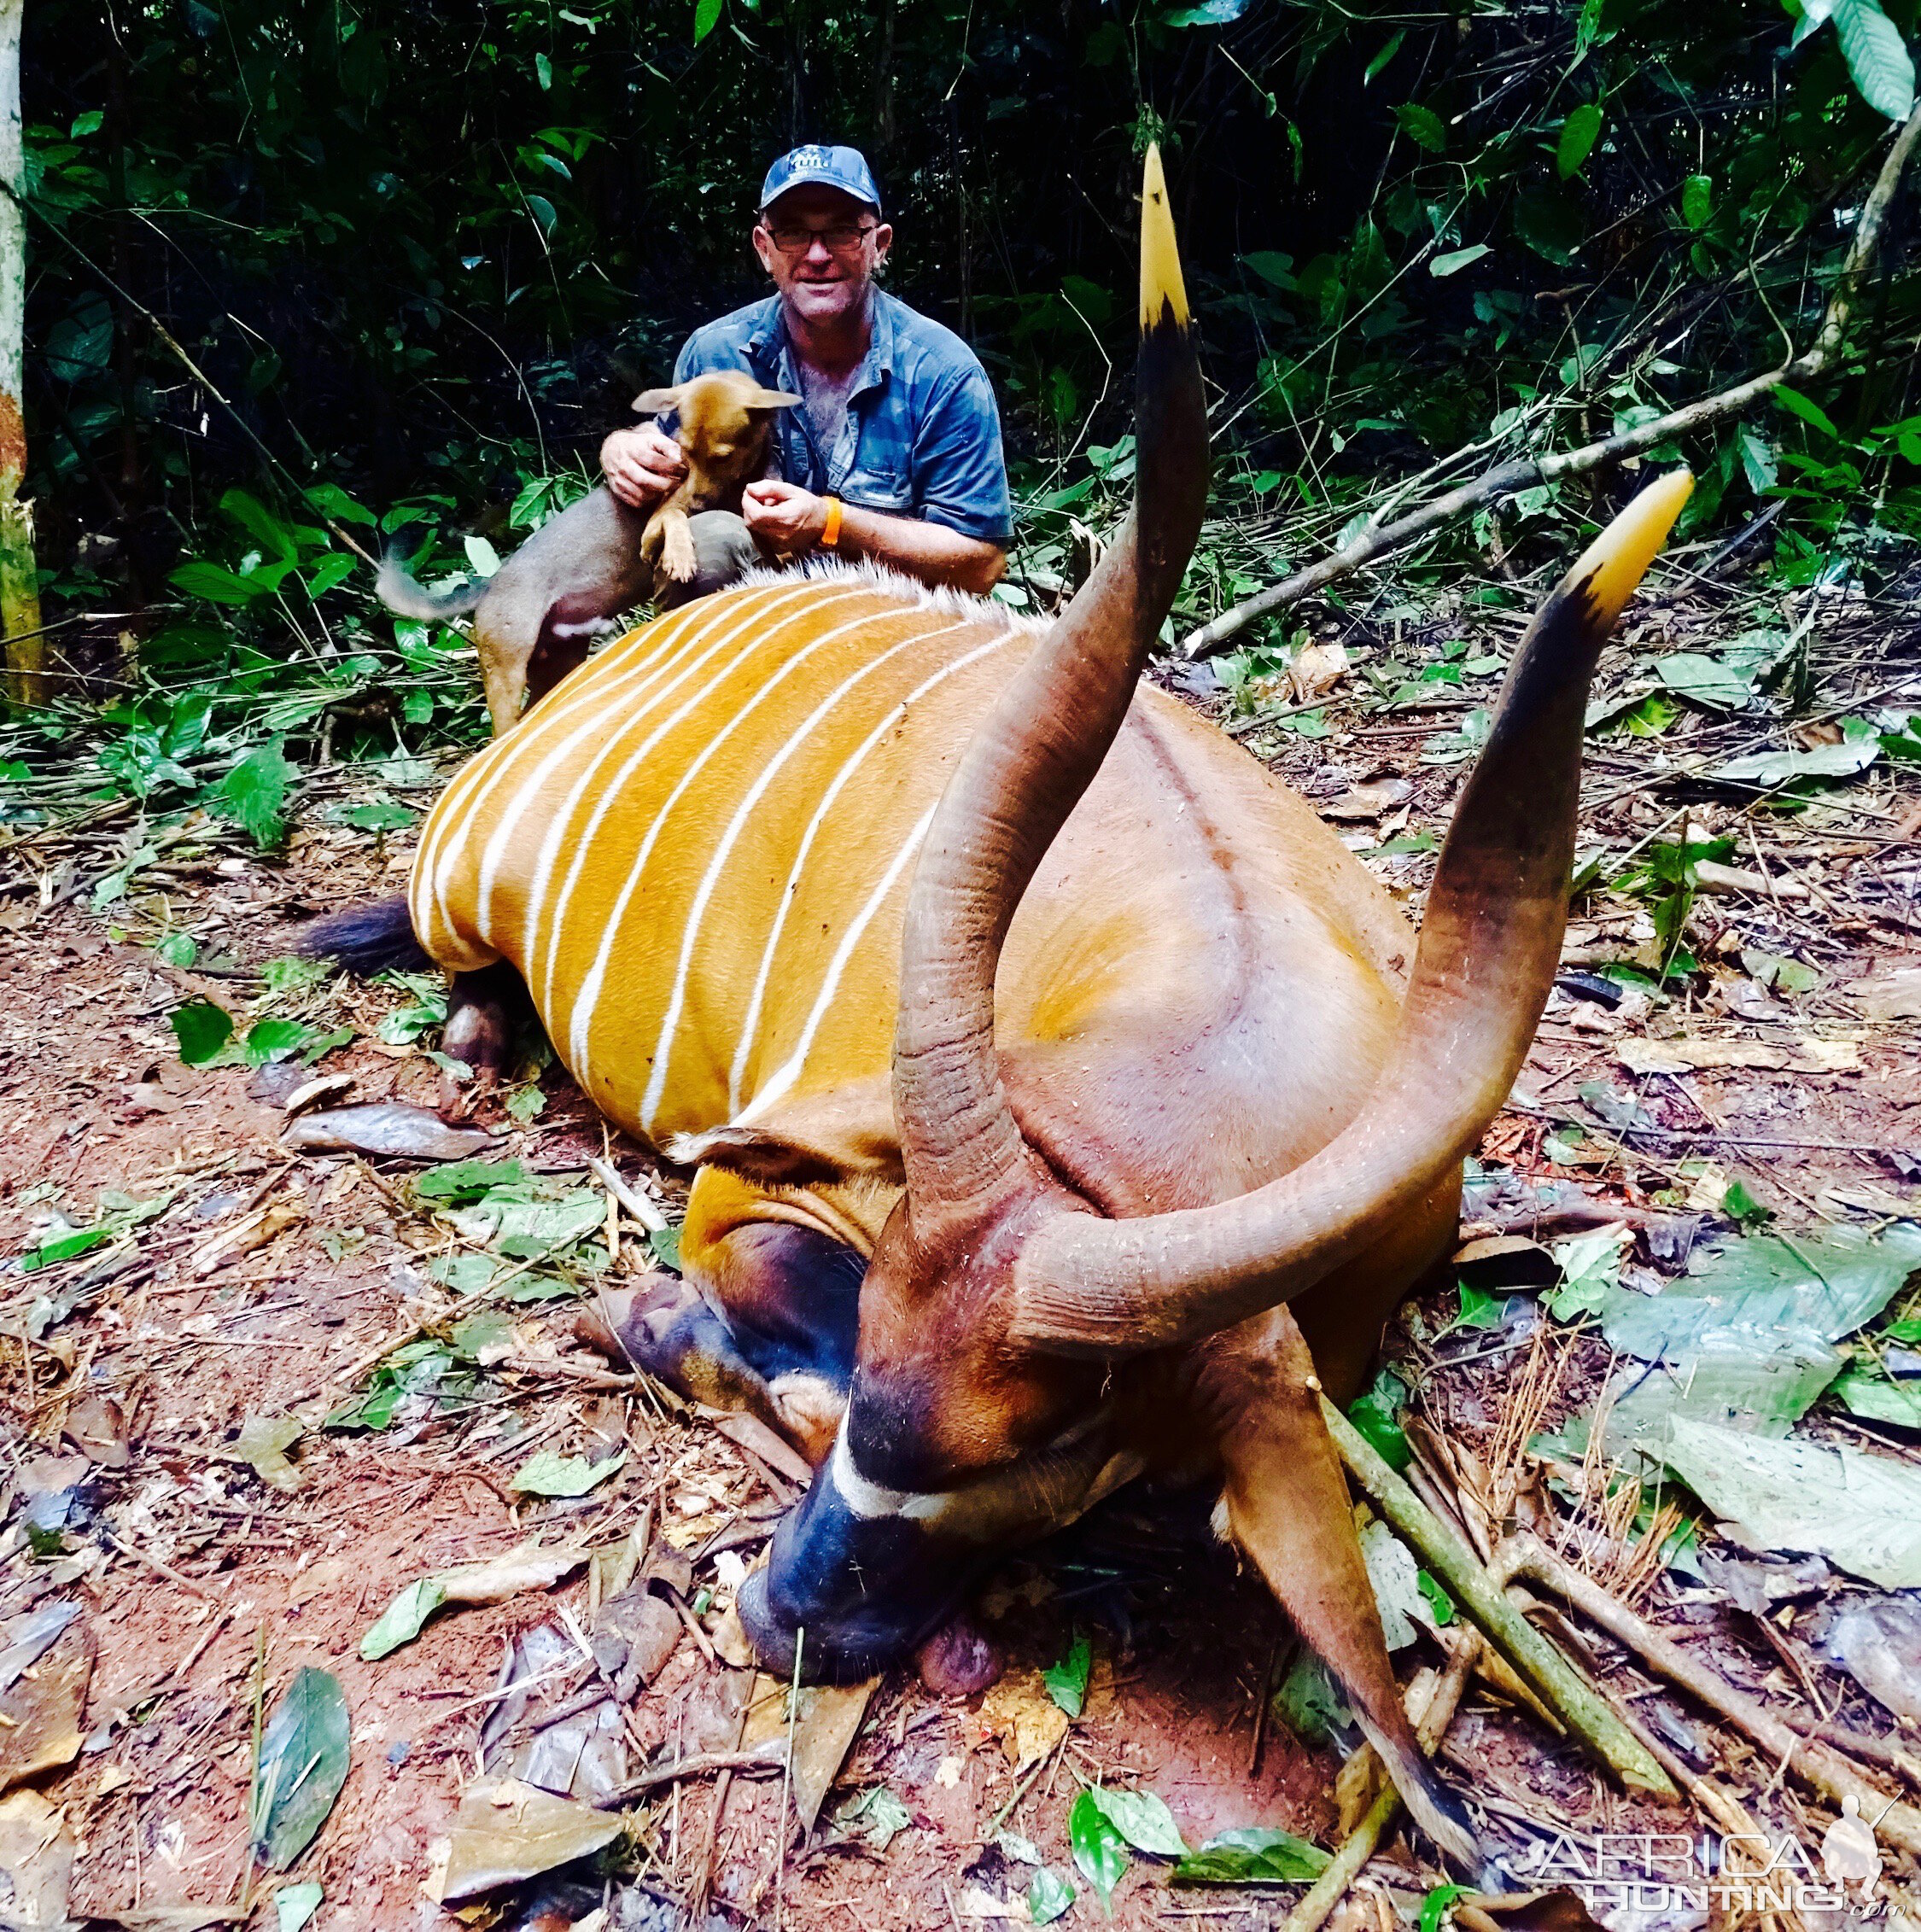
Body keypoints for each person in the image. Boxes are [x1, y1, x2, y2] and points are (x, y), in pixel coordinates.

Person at [600, 144, 1011, 599]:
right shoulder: (716, 353)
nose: (817, 255)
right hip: (749, 604)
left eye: (842, 232)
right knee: (712, 543)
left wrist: (831, 523)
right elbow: (671, 450)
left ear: (879, 245)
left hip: (887, 618)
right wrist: (622, 447)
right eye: (793, 233)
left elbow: (981, 563)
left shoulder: (943, 372)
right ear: (764, 248)